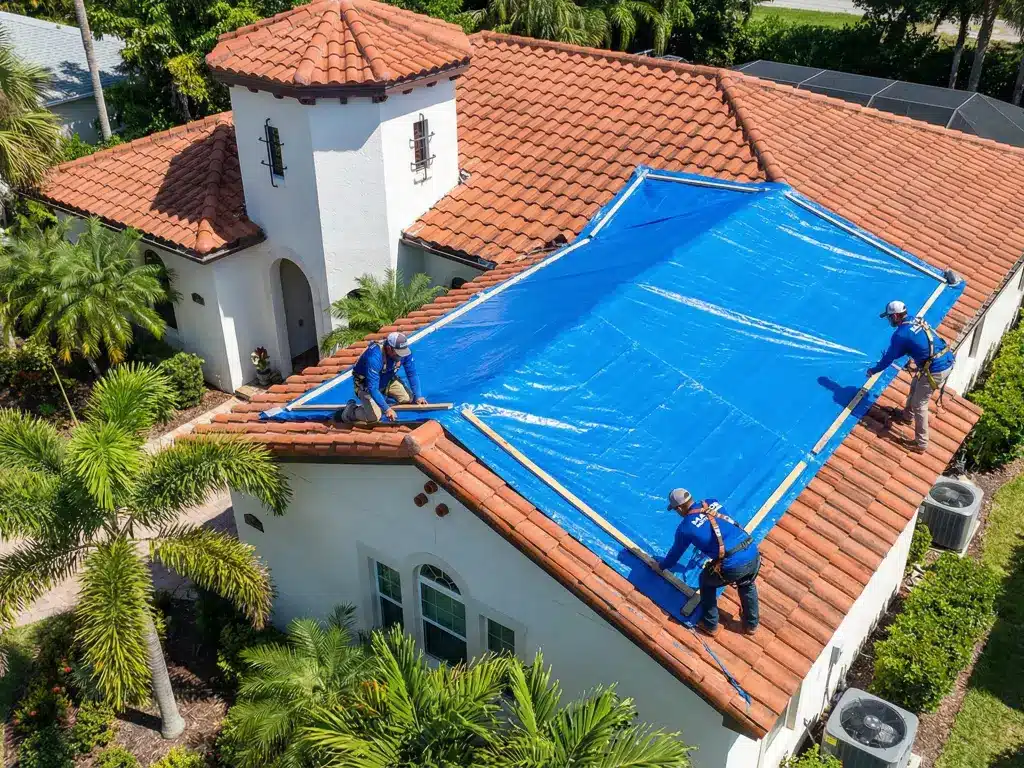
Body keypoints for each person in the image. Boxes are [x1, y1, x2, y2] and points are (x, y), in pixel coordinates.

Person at [658, 488, 760, 637]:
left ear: (679, 508)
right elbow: (718, 526)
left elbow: (675, 555)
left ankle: (710, 624)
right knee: (746, 583)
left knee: (705, 581)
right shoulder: (711, 502)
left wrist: (662, 566)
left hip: (734, 564)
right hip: (752, 552)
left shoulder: (685, 528)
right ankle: (751, 624)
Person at [867, 300, 955, 453]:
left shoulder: (900, 334)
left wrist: (873, 370)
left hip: (936, 369)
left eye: (889, 317)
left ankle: (921, 443)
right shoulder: (916, 319)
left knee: (920, 404)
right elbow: (915, 343)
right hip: (945, 359)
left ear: (895, 316)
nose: (889, 320)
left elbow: (889, 359)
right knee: (915, 385)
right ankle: (907, 416)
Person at [339, 332, 427, 423]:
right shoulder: (374, 357)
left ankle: (382, 396)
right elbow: (373, 388)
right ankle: (350, 411)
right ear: (389, 348)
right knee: (374, 417)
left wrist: (418, 396)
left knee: (408, 398)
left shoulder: (404, 352)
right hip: (366, 384)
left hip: (387, 379)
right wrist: (387, 409)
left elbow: (412, 374)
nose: (401, 356)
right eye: (398, 353)